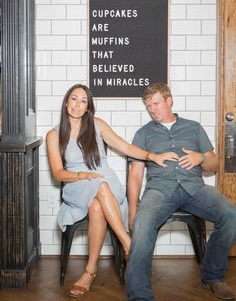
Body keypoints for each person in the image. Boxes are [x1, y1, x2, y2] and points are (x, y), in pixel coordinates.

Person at [46, 84, 167, 298]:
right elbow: (57, 173)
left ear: (88, 107)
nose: (77, 104)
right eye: (74, 99)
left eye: (83, 101)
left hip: (105, 182)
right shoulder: (54, 135)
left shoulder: (97, 125)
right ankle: (128, 244)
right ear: (66, 102)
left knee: (97, 202)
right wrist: (81, 176)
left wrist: (152, 156)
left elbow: (125, 147)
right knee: (98, 187)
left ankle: (89, 272)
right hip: (75, 184)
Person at [125, 83, 236, 301]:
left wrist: (201, 158)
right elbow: (135, 174)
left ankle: (212, 277)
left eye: (156, 103)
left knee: (231, 215)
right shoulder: (143, 133)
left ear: (169, 100)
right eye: (148, 106)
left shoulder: (193, 127)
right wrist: (132, 210)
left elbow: (214, 164)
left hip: (194, 188)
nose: (152, 110)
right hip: (159, 190)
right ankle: (140, 296)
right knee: (142, 223)